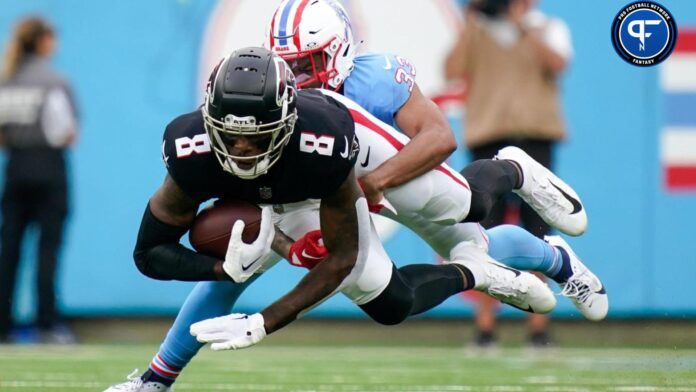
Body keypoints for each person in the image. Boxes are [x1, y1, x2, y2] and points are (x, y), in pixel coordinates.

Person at [105, 2, 605, 390]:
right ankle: (156, 377)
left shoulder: (369, 82)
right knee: (262, 259)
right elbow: (245, 205)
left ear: (340, 48)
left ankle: (516, 175)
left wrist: (372, 186)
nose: (299, 77)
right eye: (290, 65)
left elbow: (437, 139)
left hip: (379, 165)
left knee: (469, 213)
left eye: (309, 63)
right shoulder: (259, 111)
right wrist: (276, 247)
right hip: (319, 180)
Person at [444, 0, 576, 348]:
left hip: (536, 136)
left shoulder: (547, 27)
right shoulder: (478, 31)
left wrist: (522, 26)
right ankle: (485, 327)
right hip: (490, 137)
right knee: (484, 233)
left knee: (539, 231)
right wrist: (472, 24)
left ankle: (538, 326)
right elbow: (451, 70)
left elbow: (559, 63)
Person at [0, 16, 78, 344]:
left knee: (10, 248)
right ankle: (47, 323)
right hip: (48, 168)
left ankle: (3, 323)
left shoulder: (7, 81)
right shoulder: (53, 81)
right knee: (48, 248)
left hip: (15, 168)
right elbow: (64, 132)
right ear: (43, 41)